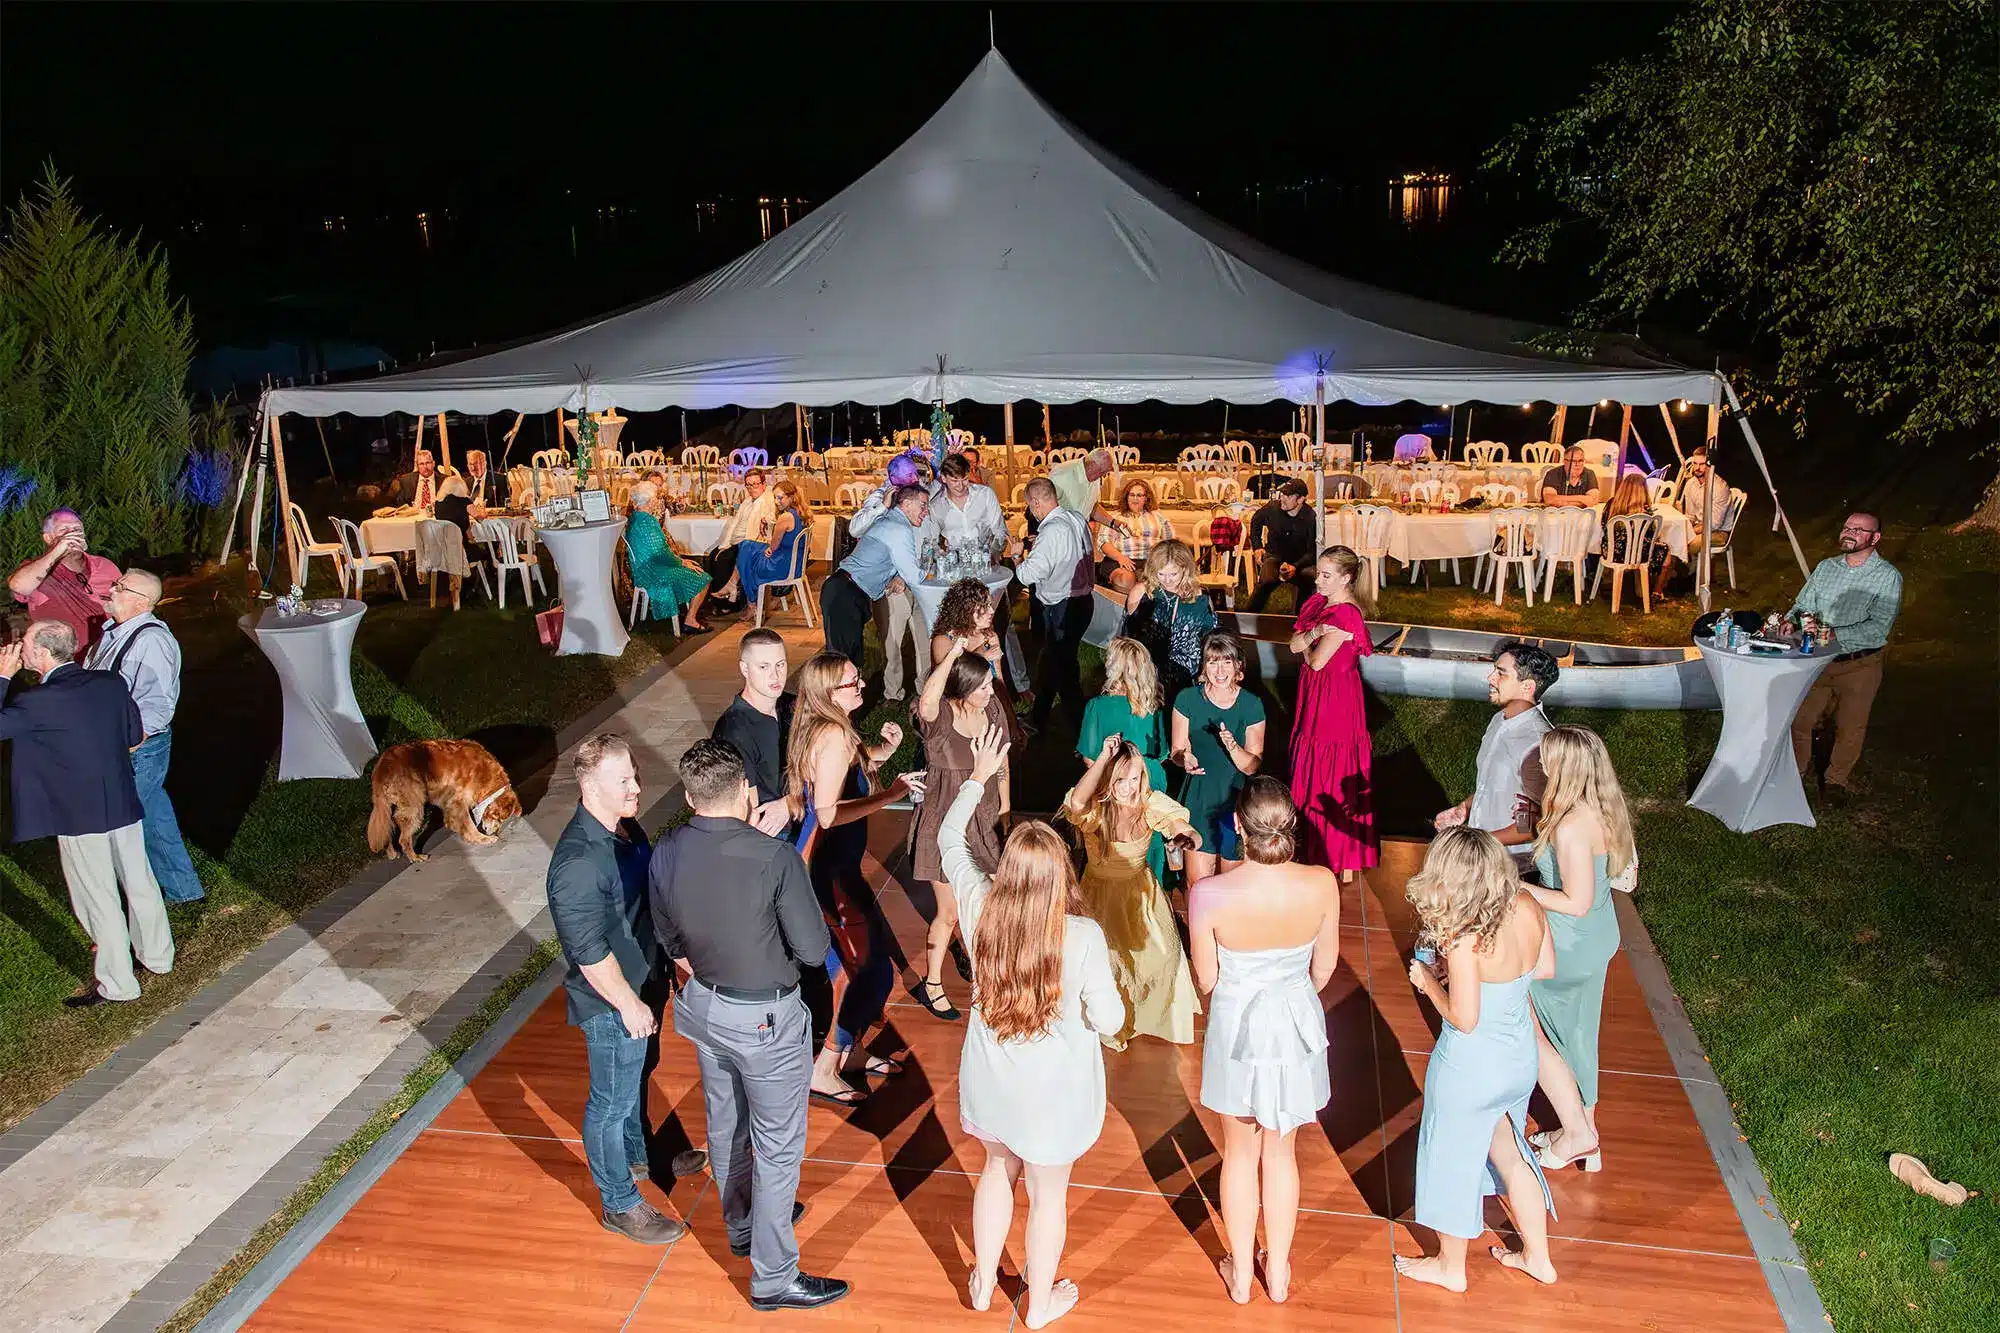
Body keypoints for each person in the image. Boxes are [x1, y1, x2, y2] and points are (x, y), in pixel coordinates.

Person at [942, 727, 1120, 1329]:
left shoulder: (978, 904)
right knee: (1048, 1196)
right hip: (1055, 1098)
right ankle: (1040, 1306)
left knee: (995, 1169)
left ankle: (985, 1283)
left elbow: (947, 839)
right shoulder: (1085, 937)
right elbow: (1111, 1017)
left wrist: (978, 777)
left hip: (992, 1082)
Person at [544, 734, 701, 1244]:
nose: (637, 785)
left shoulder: (626, 830)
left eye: (634, 773)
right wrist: (629, 1003)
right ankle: (619, 1203)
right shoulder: (577, 864)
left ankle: (640, 1156)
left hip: (644, 982)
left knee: (639, 1075)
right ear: (590, 787)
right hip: (613, 1002)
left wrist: (672, 962)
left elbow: (647, 902)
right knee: (608, 1103)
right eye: (624, 780)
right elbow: (588, 952)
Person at [1189, 778, 1340, 1305]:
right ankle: (1276, 1272)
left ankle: (1241, 1279)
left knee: (1238, 1153)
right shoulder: (1322, 883)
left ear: (1237, 827)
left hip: (1236, 1024)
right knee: (1282, 1152)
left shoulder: (1208, 894)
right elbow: (1325, 968)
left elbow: (1206, 981)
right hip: (1295, 1021)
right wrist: (1289, 990)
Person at [1398, 826, 1560, 1292]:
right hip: (1517, 1060)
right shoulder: (1528, 907)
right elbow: (1545, 968)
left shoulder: (1465, 937)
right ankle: (1537, 1257)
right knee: (1513, 1154)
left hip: (1470, 1068)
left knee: (1449, 1161)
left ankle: (1450, 1267)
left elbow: (1464, 1018)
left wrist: (1429, 980)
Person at [0, 620, 173, 1006]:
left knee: (98, 897)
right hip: (121, 800)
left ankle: (118, 984)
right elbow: (133, 735)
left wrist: (1, 678)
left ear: (43, 654)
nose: (19, 649)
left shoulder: (34, 702)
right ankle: (159, 958)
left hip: (77, 813)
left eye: (25, 643)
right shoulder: (109, 683)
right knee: (139, 880)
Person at [788, 652, 922, 1105]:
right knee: (857, 972)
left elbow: (848, 779)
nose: (861, 684)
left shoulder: (831, 730)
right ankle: (824, 1068)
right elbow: (828, 813)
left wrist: (884, 751)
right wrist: (892, 796)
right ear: (829, 692)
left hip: (837, 868)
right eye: (852, 681)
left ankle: (854, 1052)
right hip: (825, 870)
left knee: (871, 963)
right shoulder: (833, 737)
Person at [1520, 726, 1631, 1176]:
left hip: (1569, 940)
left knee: (1530, 1029)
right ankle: (1584, 1134)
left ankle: (1579, 1133)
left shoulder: (1569, 826)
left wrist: (1519, 888)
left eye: (1547, 758)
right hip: (1600, 935)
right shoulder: (1602, 809)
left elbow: (1575, 900)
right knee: (1580, 1036)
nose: (1541, 764)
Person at [1062, 732, 1202, 1049]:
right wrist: (1102, 757)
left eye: (1136, 778)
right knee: (1107, 961)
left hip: (1141, 896)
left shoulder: (1149, 802)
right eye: (1121, 779)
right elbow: (1076, 802)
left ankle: (1144, 1016)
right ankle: (1111, 1023)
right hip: (1099, 896)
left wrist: (1187, 838)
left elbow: (1185, 828)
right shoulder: (1096, 809)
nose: (1129, 787)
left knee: (1163, 956)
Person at [85, 569, 203, 903]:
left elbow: (157, 704)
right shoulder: (113, 633)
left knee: (119, 825)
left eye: (119, 587)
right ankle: (182, 890)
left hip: (138, 749)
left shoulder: (151, 641)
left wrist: (134, 741)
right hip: (118, 745)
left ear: (141, 601)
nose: (111, 590)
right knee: (151, 815)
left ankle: (134, 898)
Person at [907, 642, 1011, 1020]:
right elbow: (927, 700)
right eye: (982, 685)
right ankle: (931, 984)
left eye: (990, 683)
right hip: (943, 823)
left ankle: (989, 972)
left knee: (992, 904)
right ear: (963, 688)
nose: (991, 690)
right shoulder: (940, 719)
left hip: (981, 821)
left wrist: (1005, 805)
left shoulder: (992, 708)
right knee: (949, 912)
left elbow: (1002, 761)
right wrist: (952, 655)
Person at [1788, 511, 1901, 803]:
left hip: (1859, 665)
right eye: (1847, 527)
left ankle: (1836, 780)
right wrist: (1792, 620)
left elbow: (1878, 626)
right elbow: (1803, 604)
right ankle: (1793, 773)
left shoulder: (1887, 577)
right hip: (1818, 663)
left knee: (1850, 726)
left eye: (1859, 530)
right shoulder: (1827, 568)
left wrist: (1834, 634)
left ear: (1875, 538)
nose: (1849, 533)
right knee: (1800, 720)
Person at [1287, 546, 1377, 877]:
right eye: (1319, 574)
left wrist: (1308, 641)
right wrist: (1312, 635)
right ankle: (1317, 844)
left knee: (1331, 770)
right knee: (1319, 763)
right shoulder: (1322, 605)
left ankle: (1335, 853)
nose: (1318, 582)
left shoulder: (1345, 615)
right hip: (1318, 693)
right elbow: (1295, 644)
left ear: (1346, 577)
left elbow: (1315, 660)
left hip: (1334, 699)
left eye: (1326, 576)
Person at [1434, 642, 1559, 871]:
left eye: (1501, 673)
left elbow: (1530, 825)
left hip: (1513, 864)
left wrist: (1475, 843)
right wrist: (1465, 807)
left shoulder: (1535, 744)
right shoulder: (1500, 721)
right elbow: (1494, 783)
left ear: (1527, 686)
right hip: (1487, 850)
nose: (1490, 678)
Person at [1172, 632, 1267, 887]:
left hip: (1234, 803)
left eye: (1227, 661)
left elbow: (1252, 766)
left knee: (1231, 884)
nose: (1220, 670)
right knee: (1197, 883)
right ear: (1204, 666)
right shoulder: (1187, 699)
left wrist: (1233, 746)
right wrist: (1185, 758)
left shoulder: (1251, 705)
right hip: (1199, 797)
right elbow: (1177, 751)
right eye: (1213, 662)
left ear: (1238, 666)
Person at [1077, 636, 1170, 881]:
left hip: (1116, 785)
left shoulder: (1098, 706)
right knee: (1150, 845)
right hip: (1149, 781)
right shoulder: (1153, 706)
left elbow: (1089, 758)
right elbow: (1161, 754)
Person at [819, 483, 928, 683]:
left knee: (846, 660)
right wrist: (928, 566)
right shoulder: (898, 528)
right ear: (905, 504)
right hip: (845, 593)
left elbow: (899, 568)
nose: (926, 512)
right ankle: (835, 710)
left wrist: (901, 576)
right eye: (922, 506)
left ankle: (843, 708)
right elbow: (914, 576)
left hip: (847, 591)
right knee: (840, 664)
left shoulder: (892, 521)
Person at [1011, 477, 1095, 731]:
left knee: (1066, 672)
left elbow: (1026, 575)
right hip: (1082, 602)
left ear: (1036, 502)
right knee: (1051, 662)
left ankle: (1083, 731)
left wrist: (1016, 555)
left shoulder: (1051, 530)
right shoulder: (1076, 517)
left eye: (1029, 505)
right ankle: (1038, 717)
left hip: (1062, 608)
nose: (1030, 511)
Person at [711, 627, 798, 836]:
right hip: (770, 831)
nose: (775, 675)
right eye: (763, 667)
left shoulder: (791, 704)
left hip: (799, 809)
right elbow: (747, 814)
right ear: (744, 669)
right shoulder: (734, 731)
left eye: (780, 665)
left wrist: (791, 803)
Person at [8, 508, 120, 660]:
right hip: (63, 662)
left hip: (107, 656)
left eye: (77, 529)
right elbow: (18, 585)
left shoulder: (105, 566)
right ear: (48, 538)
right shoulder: (36, 570)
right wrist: (58, 550)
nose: (73, 535)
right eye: (65, 530)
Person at [1121, 539, 1215, 703]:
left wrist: (1207, 670)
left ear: (1185, 569)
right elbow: (1129, 637)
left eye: (1173, 574)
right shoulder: (1143, 593)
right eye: (1161, 574)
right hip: (1149, 673)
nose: (1167, 580)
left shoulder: (1200, 596)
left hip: (1188, 674)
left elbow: (1211, 637)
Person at [624, 481, 712, 631]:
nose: (658, 501)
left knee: (692, 568)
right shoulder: (647, 521)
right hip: (653, 572)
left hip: (643, 569)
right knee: (703, 578)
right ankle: (690, 620)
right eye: (656, 498)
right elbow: (661, 553)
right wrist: (682, 562)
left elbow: (658, 552)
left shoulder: (634, 517)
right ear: (650, 501)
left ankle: (687, 615)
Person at [718, 478, 807, 612]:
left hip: (783, 566)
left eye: (780, 498)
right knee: (746, 546)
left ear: (791, 497)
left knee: (746, 558)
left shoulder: (785, 517)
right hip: (795, 562)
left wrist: (768, 543)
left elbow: (774, 546)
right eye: (775, 498)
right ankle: (742, 593)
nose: (776, 502)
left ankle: (750, 601)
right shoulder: (800, 513)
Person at [1653, 448, 1726, 598]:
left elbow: (1715, 523)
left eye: (1702, 464)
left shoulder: (1719, 488)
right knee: (1671, 535)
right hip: (1699, 525)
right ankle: (1669, 577)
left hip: (1718, 531)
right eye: (1695, 463)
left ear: (1710, 465)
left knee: (1685, 541)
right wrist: (1688, 526)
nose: (1697, 468)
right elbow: (1690, 515)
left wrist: (1689, 531)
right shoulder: (1691, 484)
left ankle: (1685, 578)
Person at [704, 467, 778, 612]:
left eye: (755, 484)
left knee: (724, 559)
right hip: (738, 541)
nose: (752, 488)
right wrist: (725, 544)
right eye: (748, 485)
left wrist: (765, 519)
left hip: (752, 542)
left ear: (763, 484)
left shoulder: (769, 498)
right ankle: (718, 602)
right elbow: (734, 523)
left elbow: (776, 515)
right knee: (713, 555)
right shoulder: (747, 501)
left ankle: (729, 604)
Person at [1244, 481, 1317, 613]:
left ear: (1300, 499)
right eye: (1282, 494)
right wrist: (1257, 547)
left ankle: (1299, 619)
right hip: (1275, 555)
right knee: (1266, 581)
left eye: (1288, 496)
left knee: (1310, 579)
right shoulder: (1272, 508)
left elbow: (1312, 551)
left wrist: (1295, 566)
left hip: (1299, 561)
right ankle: (1247, 619)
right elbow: (1256, 521)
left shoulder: (1310, 517)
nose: (1282, 498)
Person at [925, 452, 1008, 560]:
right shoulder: (936, 506)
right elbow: (932, 543)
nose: (960, 486)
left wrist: (991, 556)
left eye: (964, 479)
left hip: (986, 562)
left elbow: (1000, 531)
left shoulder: (985, 494)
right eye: (954, 481)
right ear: (943, 478)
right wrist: (945, 560)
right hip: (956, 566)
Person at [1097, 479, 1173, 591]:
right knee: (1125, 579)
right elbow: (1104, 543)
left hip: (1150, 562)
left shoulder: (1159, 517)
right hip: (1120, 560)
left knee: (1155, 578)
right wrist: (1121, 558)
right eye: (1131, 495)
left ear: (1146, 498)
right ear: (1126, 497)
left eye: (1139, 495)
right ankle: (1128, 608)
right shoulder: (1115, 517)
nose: (1135, 499)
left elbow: (1171, 543)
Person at [1046, 447, 1127, 532]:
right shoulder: (1062, 475)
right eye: (1102, 472)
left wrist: (1113, 522)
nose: (1103, 476)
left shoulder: (1095, 476)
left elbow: (1091, 506)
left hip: (1079, 533)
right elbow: (1042, 507)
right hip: (1058, 533)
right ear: (1091, 465)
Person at [1539, 444, 1603, 510]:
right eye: (1573, 461)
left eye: (1580, 461)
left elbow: (1593, 500)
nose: (1577, 464)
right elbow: (1550, 500)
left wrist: (1563, 501)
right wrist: (1582, 499)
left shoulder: (1589, 474)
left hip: (1581, 516)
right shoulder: (1553, 474)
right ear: (1564, 461)